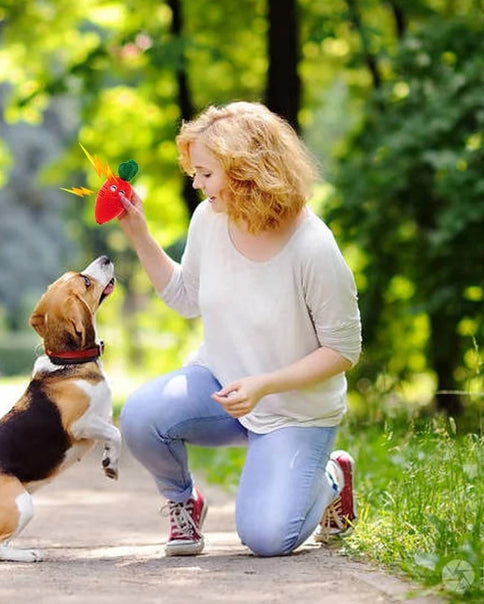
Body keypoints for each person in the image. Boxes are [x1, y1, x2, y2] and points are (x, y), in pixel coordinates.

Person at [115, 101, 361, 557]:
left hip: (294, 409)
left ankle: (332, 478)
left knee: (267, 539)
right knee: (141, 416)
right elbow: (186, 297)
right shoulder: (209, 219)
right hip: (222, 385)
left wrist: (265, 385)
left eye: (205, 173)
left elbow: (343, 350)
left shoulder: (313, 247)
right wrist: (138, 233)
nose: (195, 182)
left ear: (245, 171)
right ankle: (183, 504)